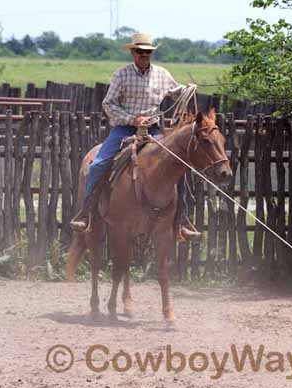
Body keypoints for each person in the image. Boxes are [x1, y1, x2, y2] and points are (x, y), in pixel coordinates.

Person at [69, 32, 201, 240]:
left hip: (155, 131)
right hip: (124, 129)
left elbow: (177, 92)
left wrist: (188, 90)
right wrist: (133, 119)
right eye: (139, 51)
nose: (143, 55)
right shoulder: (121, 75)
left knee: (178, 167)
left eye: (147, 52)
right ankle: (86, 212)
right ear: (132, 52)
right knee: (98, 164)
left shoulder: (162, 74)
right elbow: (108, 104)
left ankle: (181, 221)